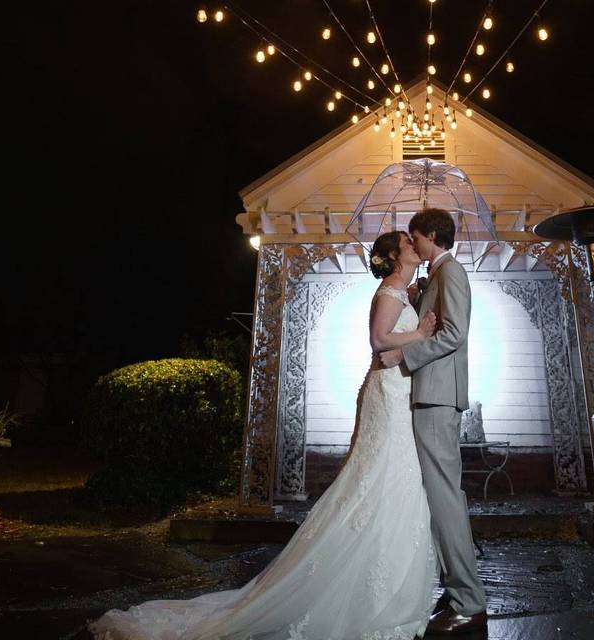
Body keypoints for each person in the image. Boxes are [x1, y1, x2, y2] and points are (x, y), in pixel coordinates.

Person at [88, 230, 440, 640]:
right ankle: (361, 585)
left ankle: (385, 577)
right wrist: (420, 334)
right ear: (396, 256)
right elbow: (379, 341)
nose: (416, 245)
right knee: (378, 477)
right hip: (387, 394)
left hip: (398, 393)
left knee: (392, 480)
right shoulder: (389, 292)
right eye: (408, 241)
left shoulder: (403, 290)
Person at [379, 208, 489, 634]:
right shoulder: (436, 276)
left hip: (438, 396)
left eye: (415, 237)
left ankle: (469, 601)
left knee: (444, 498)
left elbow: (454, 333)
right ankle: (456, 588)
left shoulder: (452, 272)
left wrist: (405, 355)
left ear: (430, 236)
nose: (413, 244)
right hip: (431, 397)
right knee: (441, 497)